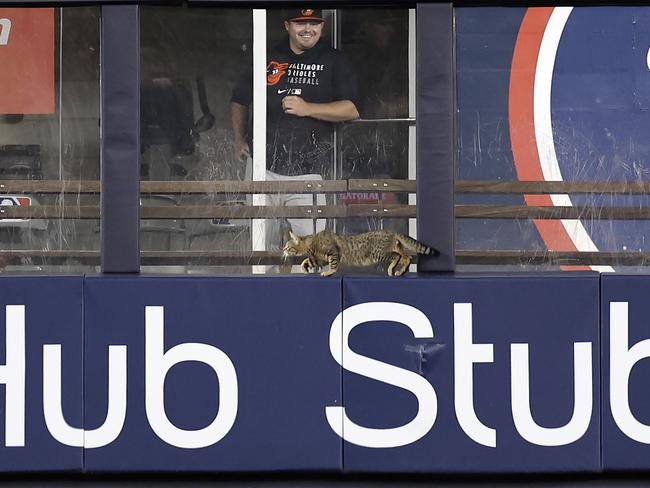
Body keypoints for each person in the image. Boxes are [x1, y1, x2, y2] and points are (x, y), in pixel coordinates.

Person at [230, 8, 360, 246]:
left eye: (314, 23)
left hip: (309, 171)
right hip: (263, 168)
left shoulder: (334, 59)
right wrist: (239, 139)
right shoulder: (267, 55)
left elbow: (351, 109)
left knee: (310, 250)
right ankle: (263, 284)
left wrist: (308, 108)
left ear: (322, 26)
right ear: (287, 25)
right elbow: (239, 100)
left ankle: (306, 285)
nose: (308, 29)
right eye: (301, 23)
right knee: (260, 250)